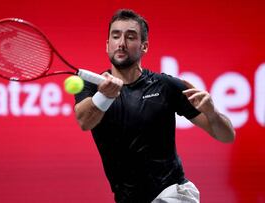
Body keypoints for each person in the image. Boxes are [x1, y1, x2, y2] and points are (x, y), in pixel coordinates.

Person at [74, 9, 235, 203]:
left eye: (130, 37)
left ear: (144, 46)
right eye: (115, 36)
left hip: (171, 193)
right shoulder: (90, 85)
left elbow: (226, 136)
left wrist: (212, 113)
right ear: (108, 45)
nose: (122, 43)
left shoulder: (166, 86)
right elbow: (85, 121)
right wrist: (105, 96)